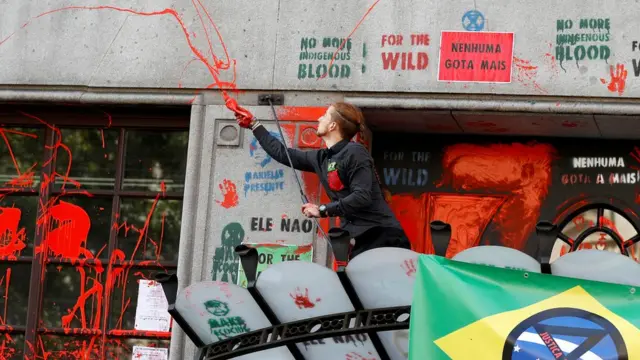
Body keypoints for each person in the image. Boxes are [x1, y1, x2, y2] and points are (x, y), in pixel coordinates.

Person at [227, 98, 411, 259]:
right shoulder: (321, 158)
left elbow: (362, 196)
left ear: (333, 126)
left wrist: (322, 210)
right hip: (361, 241)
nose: (318, 118)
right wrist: (254, 124)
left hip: (383, 237)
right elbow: (283, 154)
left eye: (324, 115)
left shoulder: (355, 152)